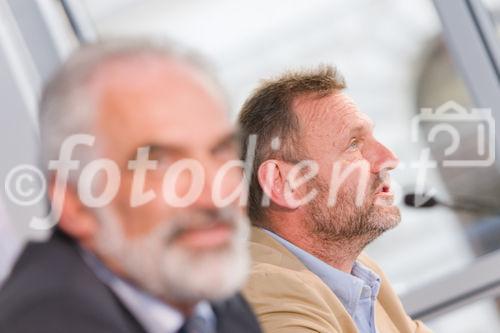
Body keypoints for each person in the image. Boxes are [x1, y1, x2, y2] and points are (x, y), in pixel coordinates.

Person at [0, 39, 261, 333]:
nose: (214, 196)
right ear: (75, 204)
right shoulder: (46, 323)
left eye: (220, 151)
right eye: (159, 164)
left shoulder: (205, 294)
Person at [238, 66, 432, 333]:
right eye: (353, 144)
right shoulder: (263, 289)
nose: (389, 159)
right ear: (284, 184)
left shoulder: (358, 271)